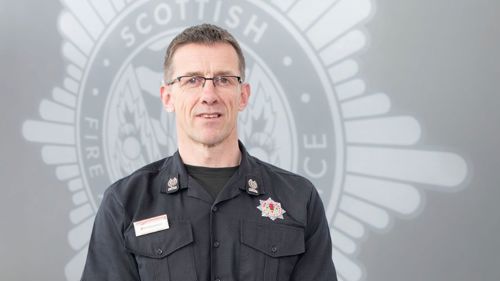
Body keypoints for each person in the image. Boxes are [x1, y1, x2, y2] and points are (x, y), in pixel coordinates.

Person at [81, 23, 337, 281]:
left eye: (223, 79)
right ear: (167, 97)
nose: (209, 95)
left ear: (243, 96)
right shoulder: (126, 203)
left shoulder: (299, 200)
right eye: (192, 80)